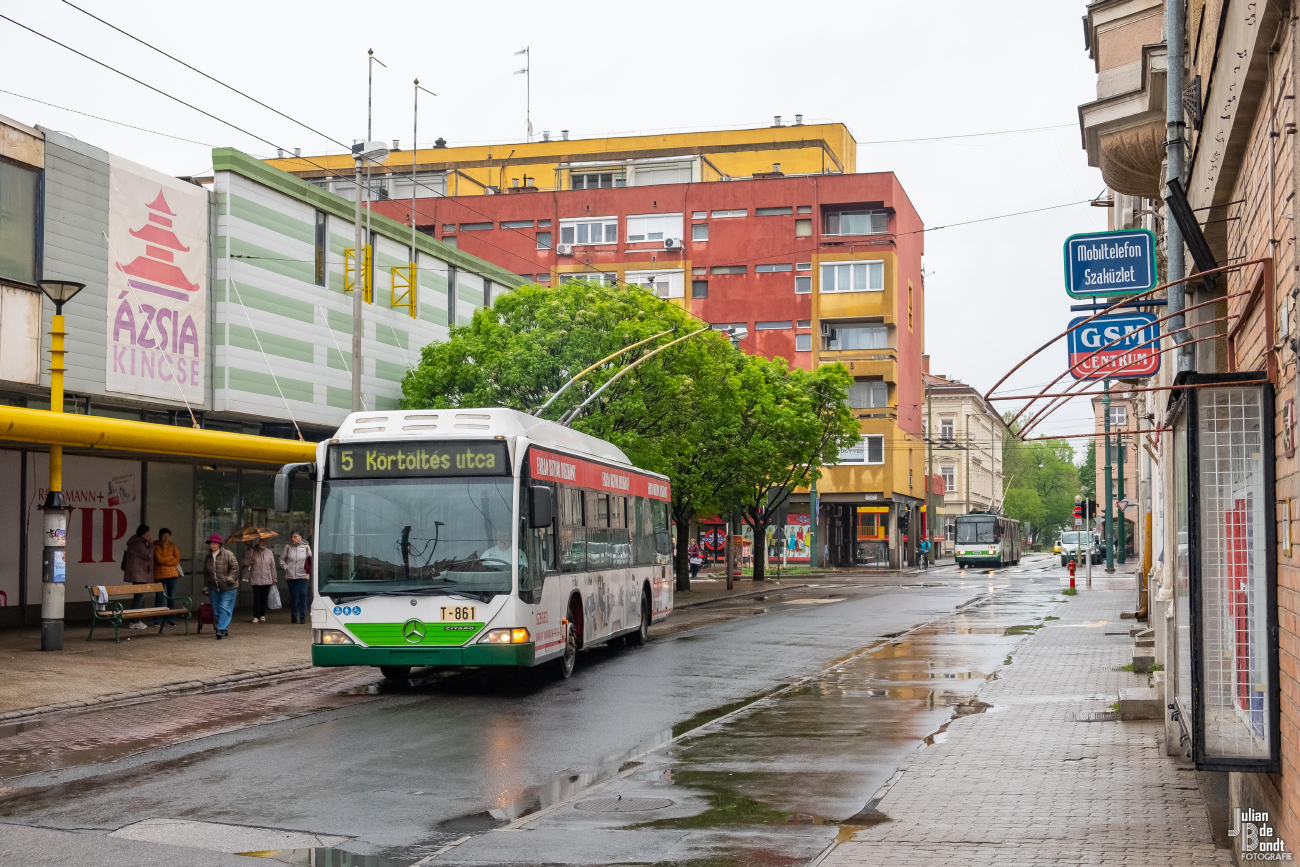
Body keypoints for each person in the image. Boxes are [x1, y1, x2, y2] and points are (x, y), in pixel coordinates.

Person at [203, 533, 239, 639]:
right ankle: (224, 628)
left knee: (224, 607)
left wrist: (230, 579)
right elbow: (206, 573)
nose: (213, 545)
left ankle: (220, 629)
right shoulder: (208, 557)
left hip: (229, 587)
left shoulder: (228, 554)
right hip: (214, 587)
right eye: (211, 543)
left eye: (215, 543)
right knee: (217, 610)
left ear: (220, 544)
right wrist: (205, 586)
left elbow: (235, 568)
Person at [121, 524, 154, 630]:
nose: (149, 535)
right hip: (139, 574)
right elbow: (148, 555)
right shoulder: (138, 544)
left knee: (139, 596)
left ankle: (135, 619)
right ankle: (135, 620)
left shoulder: (135, 542)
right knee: (139, 597)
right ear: (144, 534)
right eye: (148, 533)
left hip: (139, 574)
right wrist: (151, 545)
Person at [280, 530, 312, 625]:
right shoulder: (288, 547)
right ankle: (294, 616)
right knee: (293, 596)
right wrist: (286, 567)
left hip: (303, 574)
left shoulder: (306, 546)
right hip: (290, 576)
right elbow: (281, 559)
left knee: (302, 594)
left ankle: (302, 617)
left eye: (296, 536)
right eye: (292, 537)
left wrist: (307, 568)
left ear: (300, 537)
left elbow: (309, 559)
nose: (293, 539)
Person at [243, 537, 277, 623]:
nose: (263, 543)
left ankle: (262, 614)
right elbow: (245, 562)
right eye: (261, 542)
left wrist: (274, 578)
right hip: (255, 578)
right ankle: (256, 616)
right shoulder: (252, 551)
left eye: (264, 542)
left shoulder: (269, 552)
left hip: (267, 578)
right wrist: (251, 559)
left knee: (264, 598)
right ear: (258, 542)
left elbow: (272, 566)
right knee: (257, 598)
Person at [152, 528, 181, 627]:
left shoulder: (172, 545)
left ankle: (171, 619)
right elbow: (159, 560)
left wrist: (166, 562)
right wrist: (170, 558)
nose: (166, 538)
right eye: (164, 536)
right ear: (160, 536)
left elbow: (177, 559)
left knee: (171, 597)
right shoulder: (156, 546)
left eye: (168, 536)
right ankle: (157, 620)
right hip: (159, 575)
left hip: (172, 575)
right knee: (159, 598)